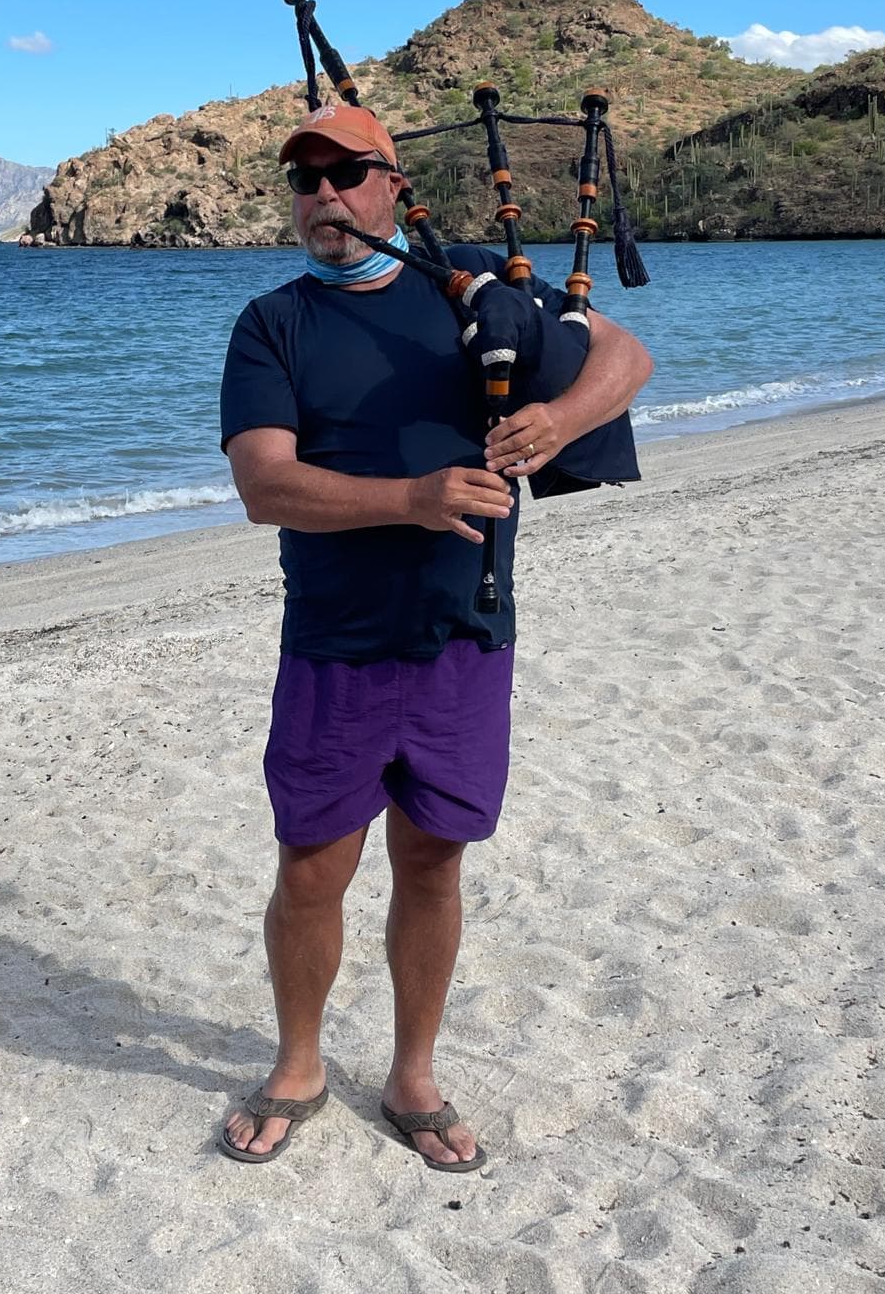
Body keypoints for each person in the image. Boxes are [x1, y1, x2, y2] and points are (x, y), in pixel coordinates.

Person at [217, 103, 652, 1170]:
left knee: (433, 862)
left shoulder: (467, 288)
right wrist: (408, 497)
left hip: (466, 634)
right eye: (304, 179)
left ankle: (413, 1074)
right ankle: (300, 1062)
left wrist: (559, 420)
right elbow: (264, 484)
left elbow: (626, 356)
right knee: (313, 868)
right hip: (335, 642)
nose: (324, 195)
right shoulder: (274, 324)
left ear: (390, 179)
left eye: (346, 172)